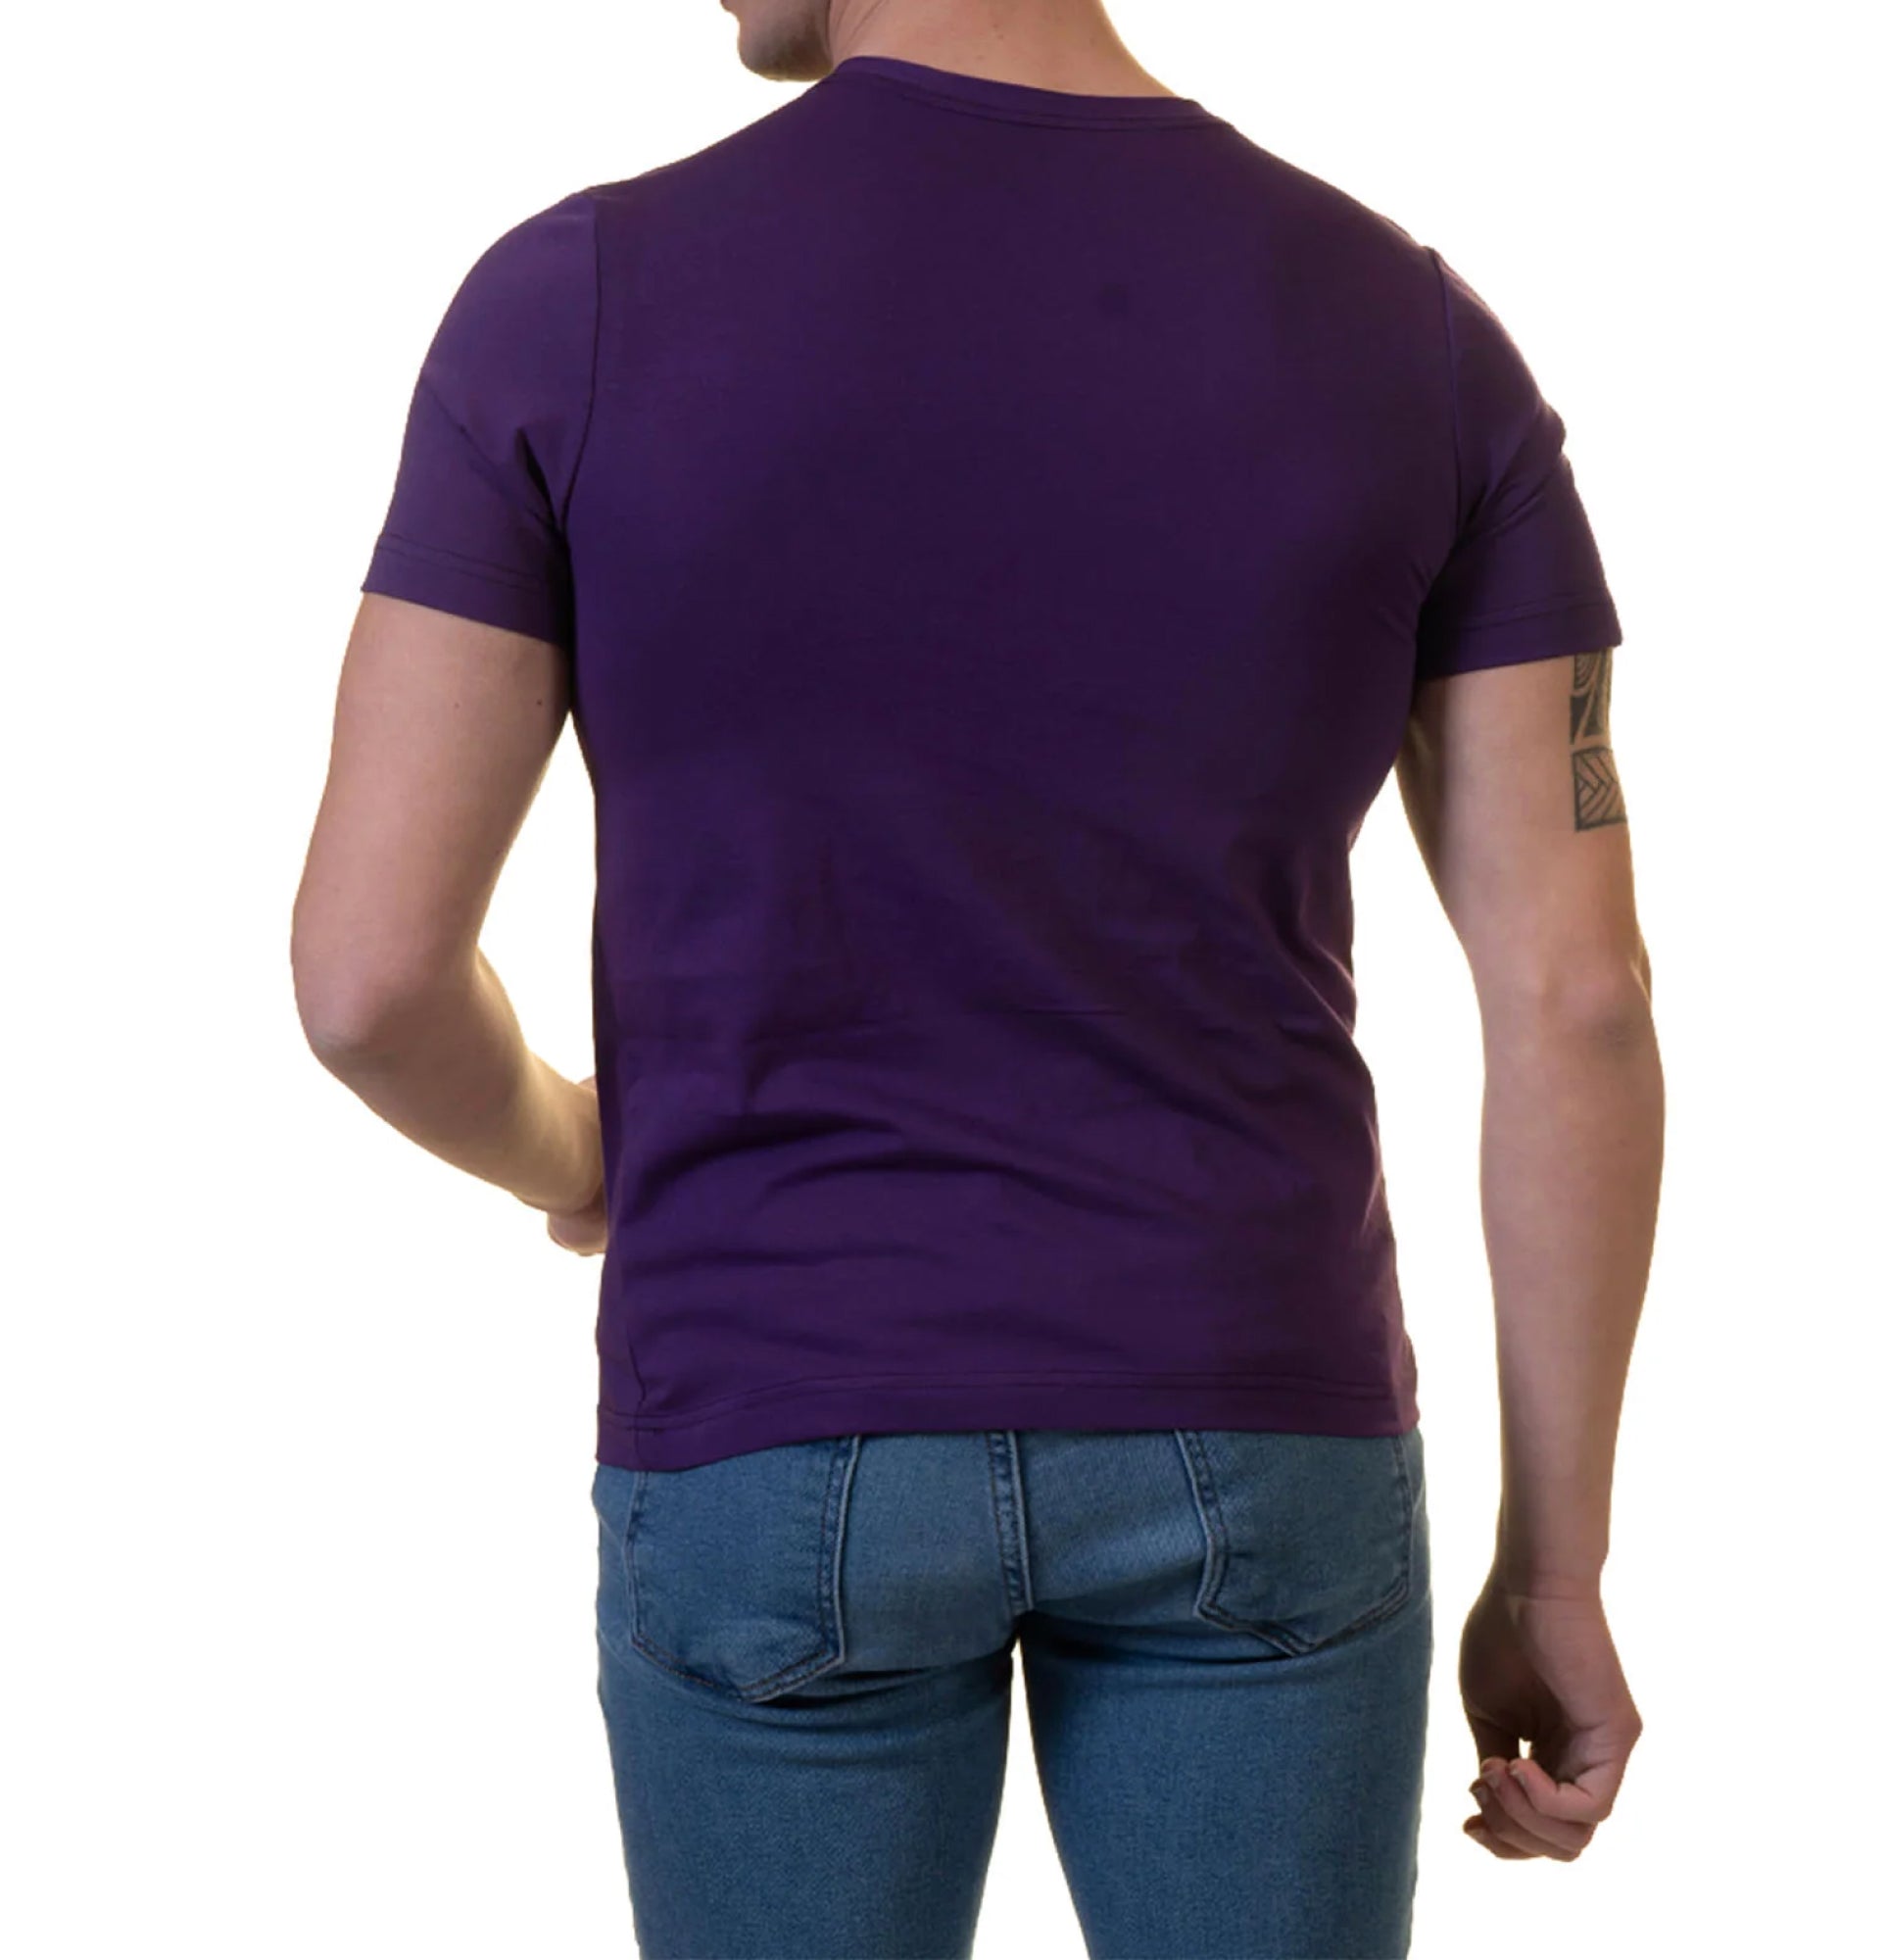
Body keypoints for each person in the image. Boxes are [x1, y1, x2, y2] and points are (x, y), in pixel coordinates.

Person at [290, 1, 1661, 1952]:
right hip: (1252, 1408)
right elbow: (1577, 1001)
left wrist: (577, 1153)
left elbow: (367, 980)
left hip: (773, 1406)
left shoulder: (570, 303)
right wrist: (1555, 1572)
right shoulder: (1413, 335)